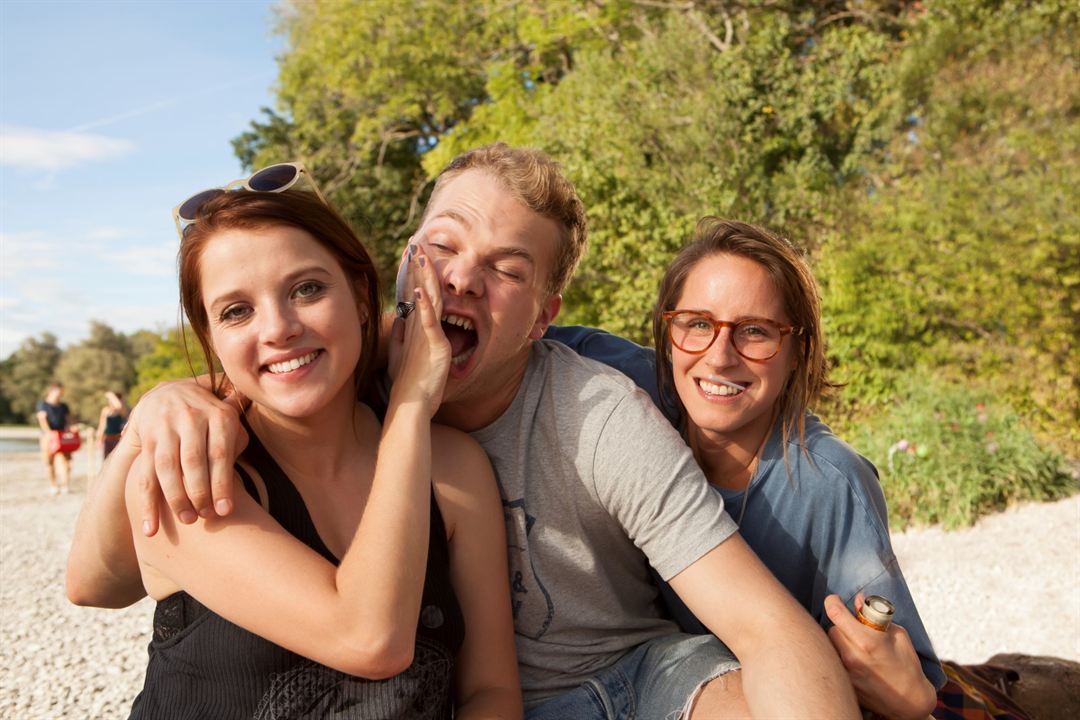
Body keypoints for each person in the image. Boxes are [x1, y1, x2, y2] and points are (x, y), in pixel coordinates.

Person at [67, 146, 861, 718]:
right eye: (442, 246)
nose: (460, 278)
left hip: (624, 675)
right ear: (406, 263)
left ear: (543, 319)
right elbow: (97, 580)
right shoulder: (250, 414)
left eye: (508, 269)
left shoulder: (584, 419)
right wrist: (162, 406)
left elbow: (764, 626)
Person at [69, 165, 520, 718]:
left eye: (306, 288)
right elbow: (369, 639)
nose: (278, 327)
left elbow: (490, 691)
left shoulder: (454, 470)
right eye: (237, 311)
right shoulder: (184, 476)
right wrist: (410, 404)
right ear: (212, 338)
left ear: (359, 295)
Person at [547, 217, 945, 719]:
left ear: (798, 352)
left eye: (754, 332)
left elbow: (903, 676)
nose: (717, 357)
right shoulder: (635, 388)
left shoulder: (830, 484)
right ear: (669, 333)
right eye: (697, 323)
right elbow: (518, 330)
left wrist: (913, 698)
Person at [36, 382, 73, 495]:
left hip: (62, 436)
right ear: (52, 391)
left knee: (66, 461)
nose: (60, 394)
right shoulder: (43, 404)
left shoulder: (64, 406)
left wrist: (69, 429)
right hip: (48, 437)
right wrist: (49, 433)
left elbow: (68, 420)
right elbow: (42, 419)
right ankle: (53, 485)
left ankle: (65, 485)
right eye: (59, 391)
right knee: (49, 462)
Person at [95, 390, 128, 459]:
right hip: (108, 438)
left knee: (118, 459)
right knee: (107, 459)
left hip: (118, 439)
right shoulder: (105, 410)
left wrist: (111, 396)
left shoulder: (121, 411)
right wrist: (99, 439)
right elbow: (102, 426)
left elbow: (118, 406)